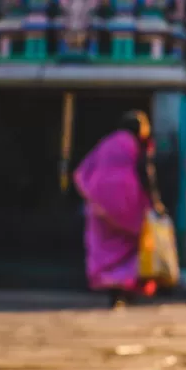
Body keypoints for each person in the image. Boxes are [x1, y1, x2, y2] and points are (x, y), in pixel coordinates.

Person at [73, 110, 156, 302]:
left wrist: (92, 195)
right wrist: (153, 201)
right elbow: (146, 172)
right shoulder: (138, 145)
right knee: (131, 246)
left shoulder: (108, 142)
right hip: (129, 200)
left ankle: (112, 288)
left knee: (104, 245)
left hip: (100, 201)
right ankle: (126, 287)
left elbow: (83, 170)